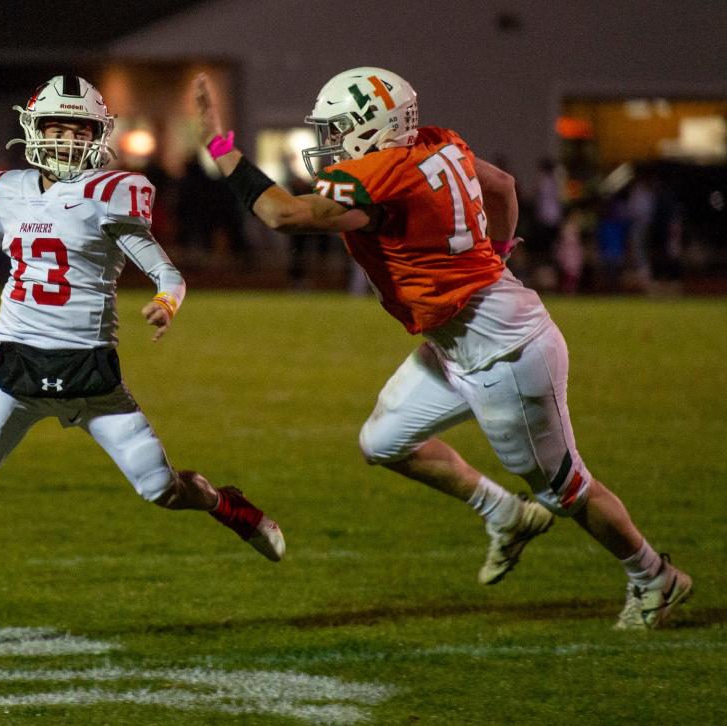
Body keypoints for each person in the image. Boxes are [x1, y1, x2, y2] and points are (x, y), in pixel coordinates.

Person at [194, 68, 691, 629]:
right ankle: (503, 513)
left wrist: (219, 144)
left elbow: (281, 213)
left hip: (503, 353)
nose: (328, 142)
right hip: (460, 337)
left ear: (373, 128)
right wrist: (498, 251)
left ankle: (655, 575)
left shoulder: (381, 174)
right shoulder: (440, 141)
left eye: (337, 128)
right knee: (383, 440)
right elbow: (501, 185)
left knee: (565, 491)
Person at [0, 75, 285, 648]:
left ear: (99, 136)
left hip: (90, 376)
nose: (68, 141)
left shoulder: (113, 192)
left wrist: (167, 303)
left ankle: (226, 505)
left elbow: (169, 273)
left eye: (79, 130)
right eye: (57, 128)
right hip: (14, 372)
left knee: (162, 491)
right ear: (33, 131)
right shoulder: (9, 190)